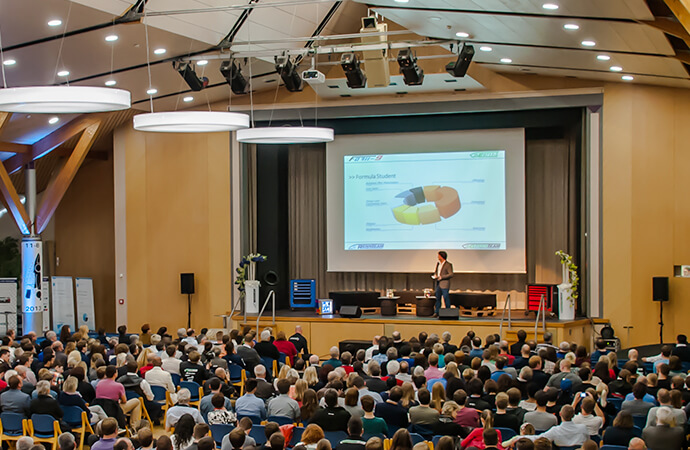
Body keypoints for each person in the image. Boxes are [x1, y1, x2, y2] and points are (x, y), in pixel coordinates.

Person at [506, 405, 589, 448]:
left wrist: (518, 438)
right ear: (573, 415)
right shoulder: (583, 428)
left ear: (560, 414)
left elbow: (538, 438)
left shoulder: (556, 431)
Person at [432, 251, 453, 317]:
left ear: (441, 256)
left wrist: (442, 277)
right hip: (438, 283)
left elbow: (451, 274)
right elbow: (437, 272)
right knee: (437, 298)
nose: (438, 257)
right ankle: (437, 312)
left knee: (446, 297)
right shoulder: (438, 264)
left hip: (444, 284)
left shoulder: (448, 264)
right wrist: (435, 276)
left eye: (438, 255)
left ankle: (448, 312)